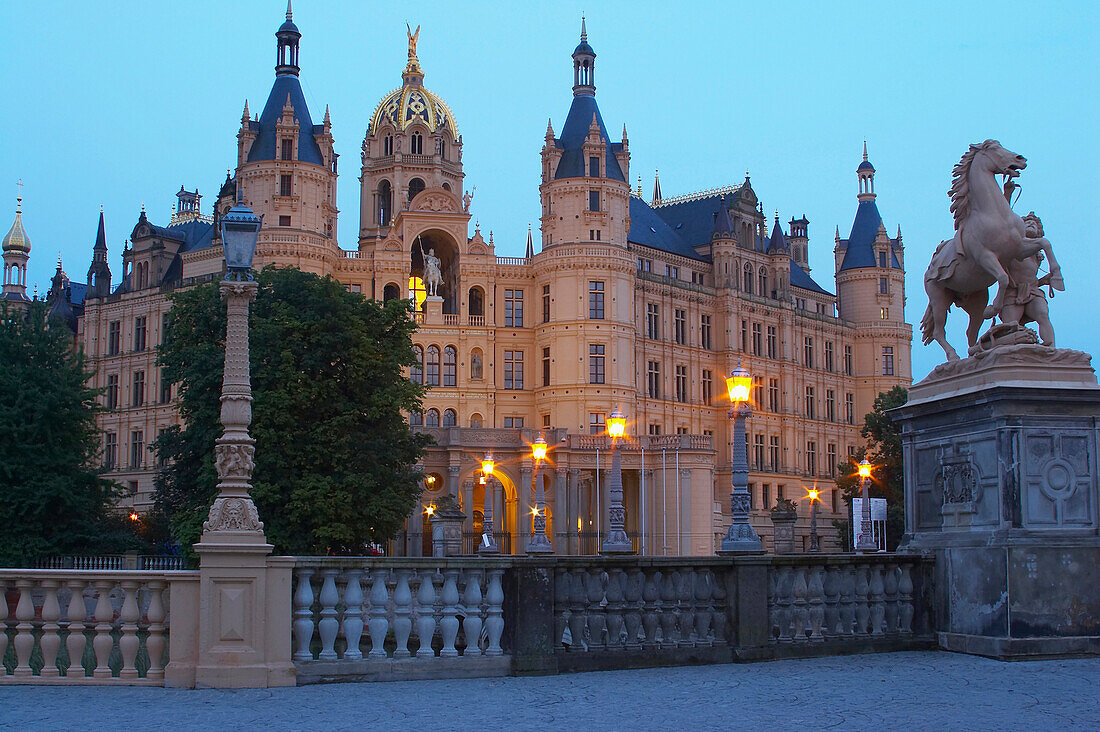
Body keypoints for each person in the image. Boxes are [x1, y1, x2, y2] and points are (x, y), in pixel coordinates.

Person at [1000, 213, 1055, 346]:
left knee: (1042, 315)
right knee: (1010, 326)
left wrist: (1043, 281)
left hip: (1033, 291)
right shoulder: (1011, 246)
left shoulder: (1037, 255)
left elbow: (1031, 278)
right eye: (1027, 223)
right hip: (1012, 292)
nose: (1031, 224)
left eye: (1034, 224)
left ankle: (1050, 347)